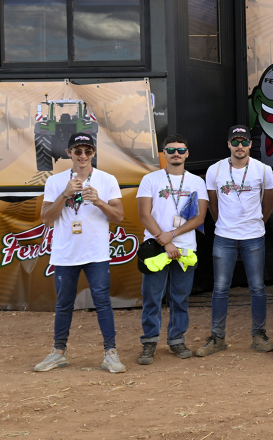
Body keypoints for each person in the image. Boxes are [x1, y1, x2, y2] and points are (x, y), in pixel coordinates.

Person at [34, 132, 127, 374]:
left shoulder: (107, 180)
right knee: (64, 304)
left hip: (96, 253)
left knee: (103, 302)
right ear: (69, 154)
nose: (83, 156)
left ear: (94, 153)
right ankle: (58, 352)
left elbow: (119, 217)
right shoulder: (55, 182)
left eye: (88, 151)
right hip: (66, 253)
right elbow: (46, 219)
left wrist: (99, 202)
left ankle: (111, 353)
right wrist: (64, 195)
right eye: (78, 151)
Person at [195, 125, 273, 358]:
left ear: (250, 144)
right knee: (220, 288)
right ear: (228, 144)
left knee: (258, 287)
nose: (240, 146)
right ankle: (217, 337)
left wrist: (258, 222)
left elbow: (269, 204)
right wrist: (225, 225)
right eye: (235, 142)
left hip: (253, 236)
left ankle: (259, 335)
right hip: (224, 236)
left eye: (244, 142)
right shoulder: (215, 169)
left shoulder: (262, 169)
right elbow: (213, 205)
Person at [137, 134, 209, 365]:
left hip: (185, 249)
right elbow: (144, 215)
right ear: (164, 153)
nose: (176, 153)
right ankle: (149, 342)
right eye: (171, 150)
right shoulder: (150, 179)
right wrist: (165, 241)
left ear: (187, 153)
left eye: (180, 150)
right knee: (152, 297)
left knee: (180, 298)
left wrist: (174, 236)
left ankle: (177, 340)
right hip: (157, 248)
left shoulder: (197, 182)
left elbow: (200, 217)